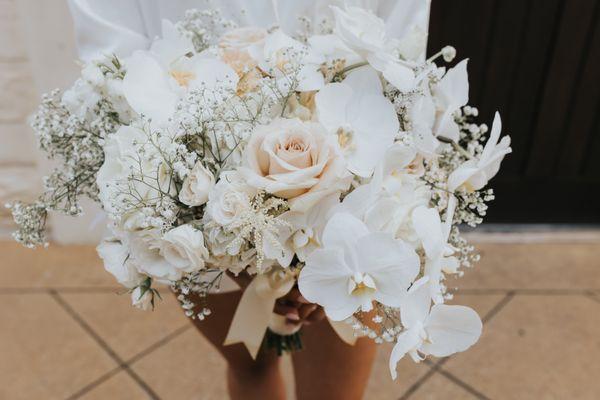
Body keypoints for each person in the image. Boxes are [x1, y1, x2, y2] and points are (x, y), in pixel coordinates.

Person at [67, 1, 430, 398]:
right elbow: (112, 69)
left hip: (358, 207)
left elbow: (401, 52)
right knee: (250, 370)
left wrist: (329, 242)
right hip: (195, 210)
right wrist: (232, 251)